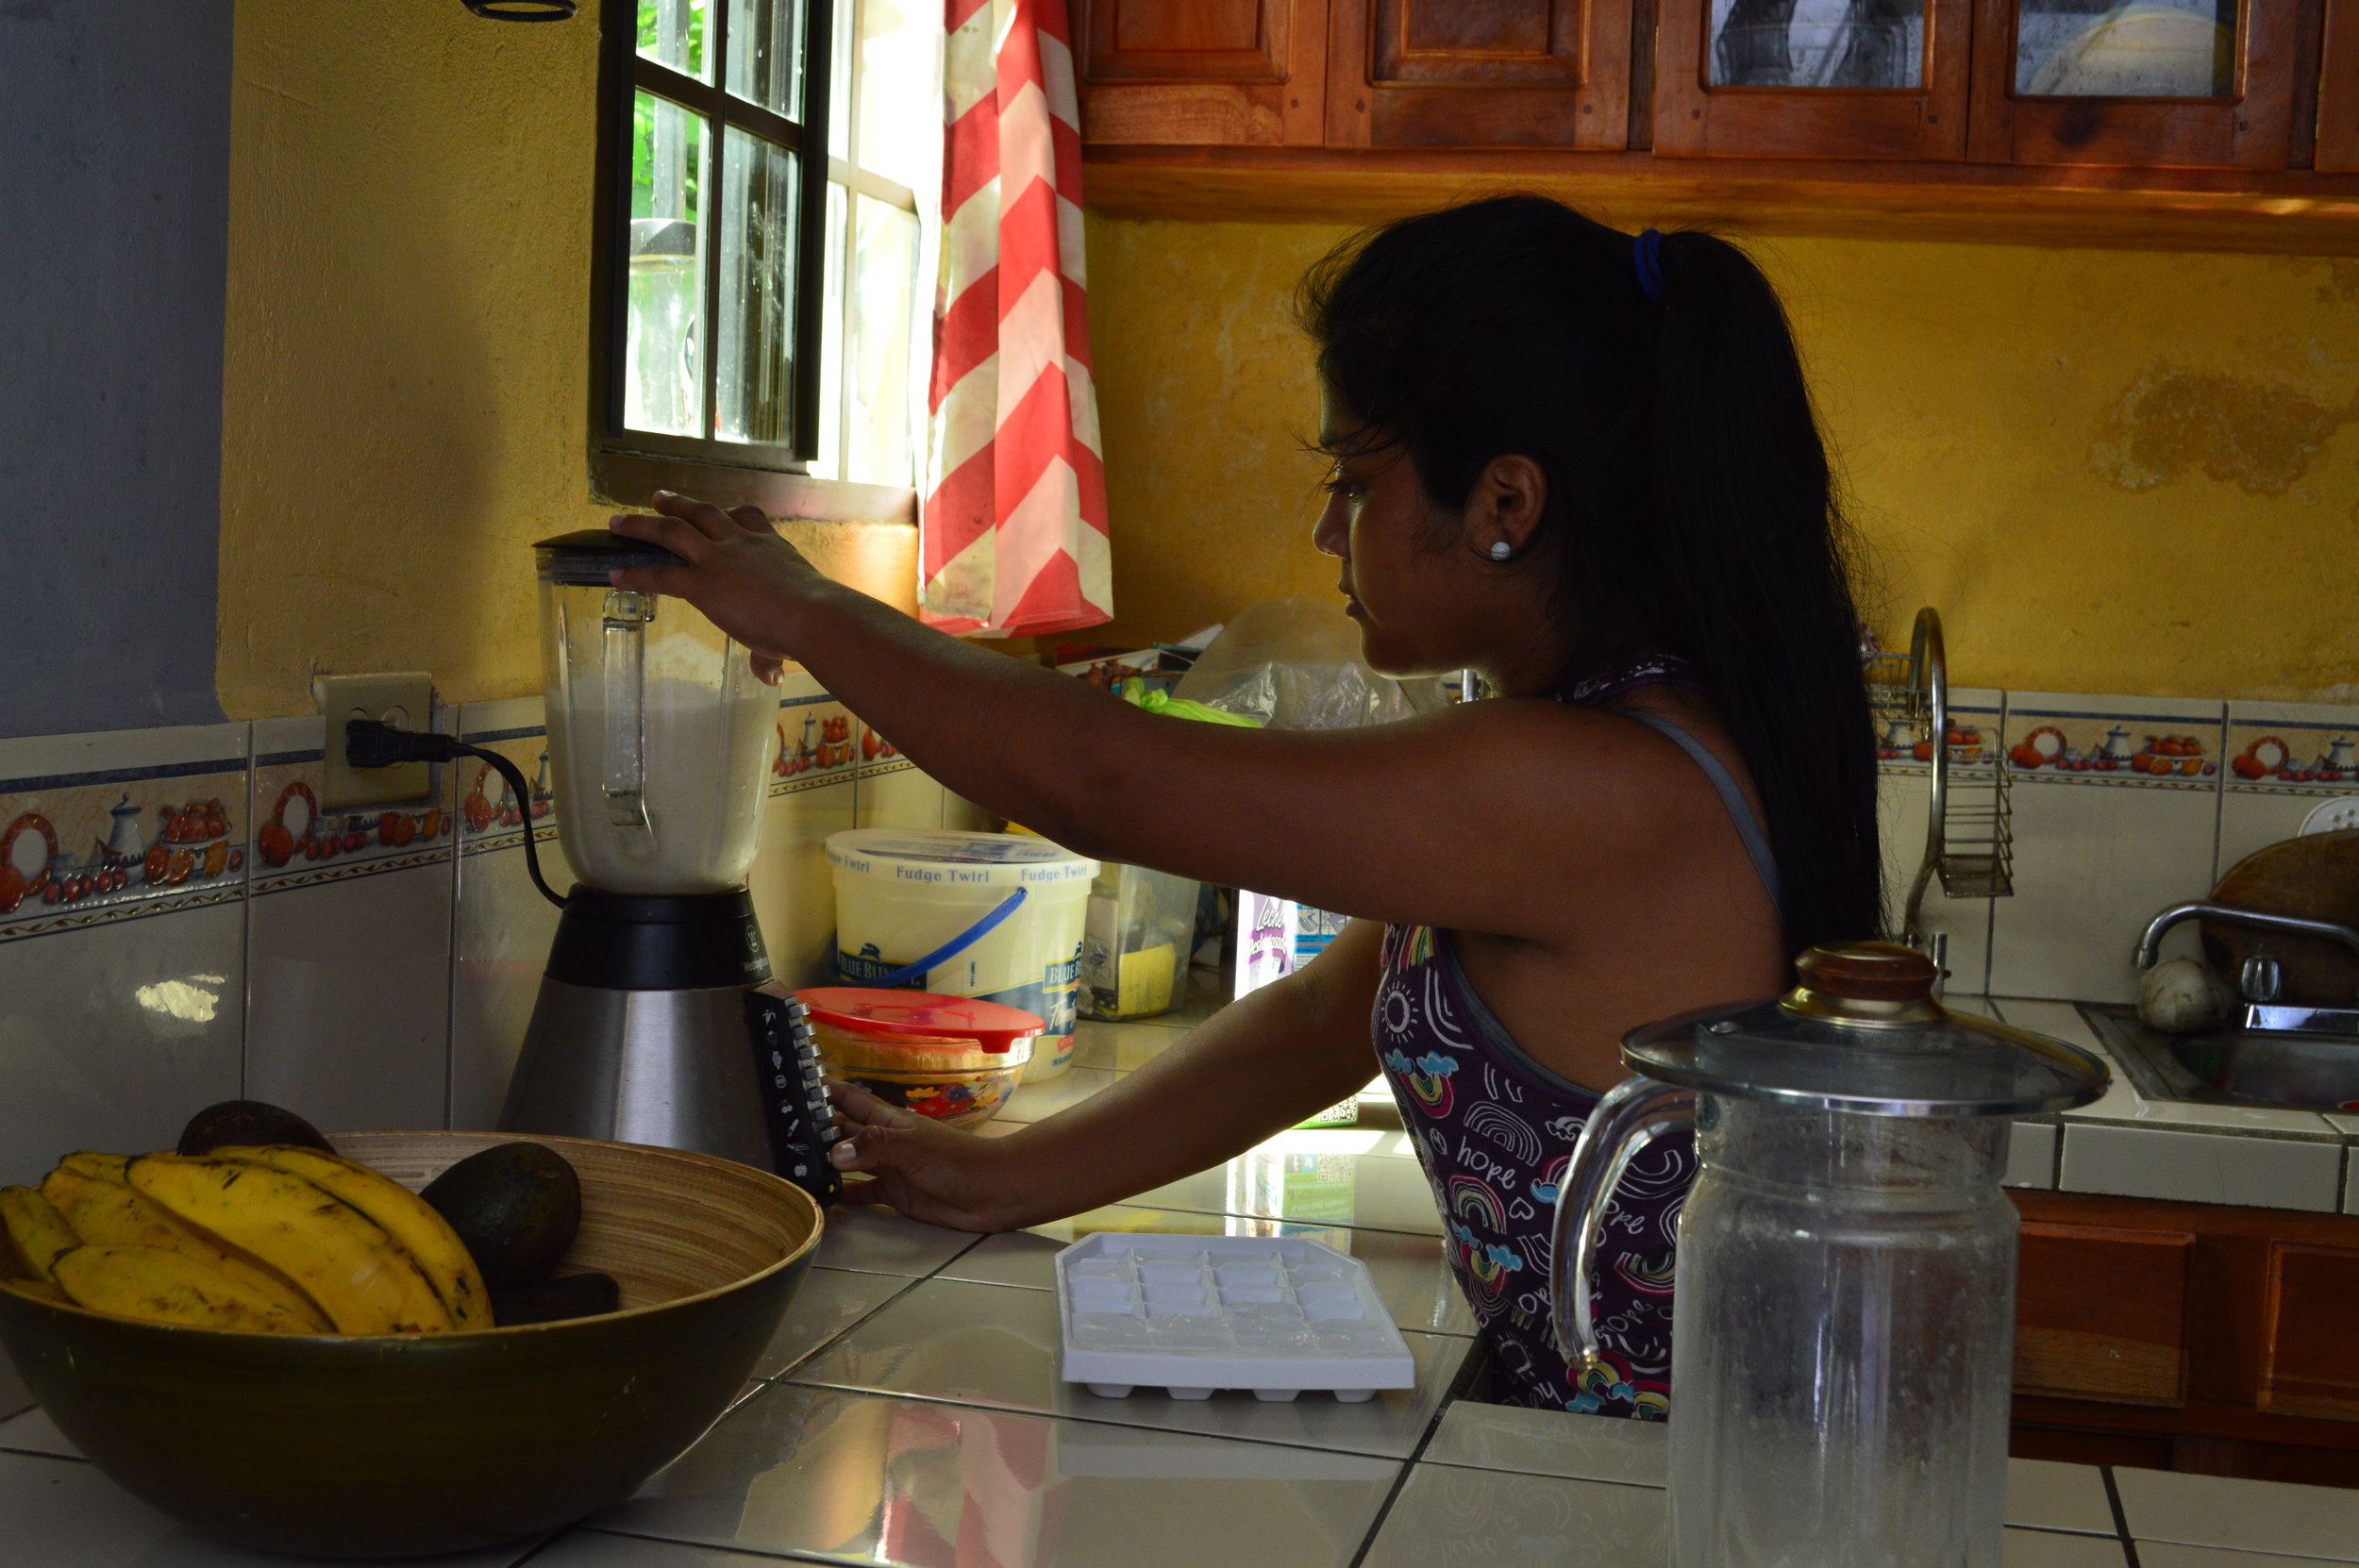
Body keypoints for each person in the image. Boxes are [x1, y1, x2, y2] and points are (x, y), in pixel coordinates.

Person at [609, 193, 1882, 1415]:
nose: (1330, 530)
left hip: (1671, 1495)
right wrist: (1007, 1177)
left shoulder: (1591, 783)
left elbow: (1101, 778)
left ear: (1506, 502)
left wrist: (805, 605)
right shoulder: (1611, 747)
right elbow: (1329, 1019)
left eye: (1357, 480)